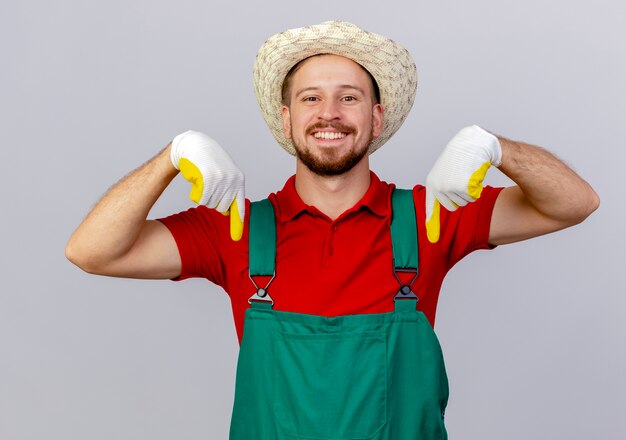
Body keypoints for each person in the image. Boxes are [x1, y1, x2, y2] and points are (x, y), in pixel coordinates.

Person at [66, 20, 599, 440]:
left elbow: (575, 203)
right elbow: (91, 252)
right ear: (287, 117)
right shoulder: (236, 229)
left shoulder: (432, 216)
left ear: (375, 115)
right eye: (310, 97)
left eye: (348, 97)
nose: (329, 113)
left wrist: (495, 148)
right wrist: (170, 156)